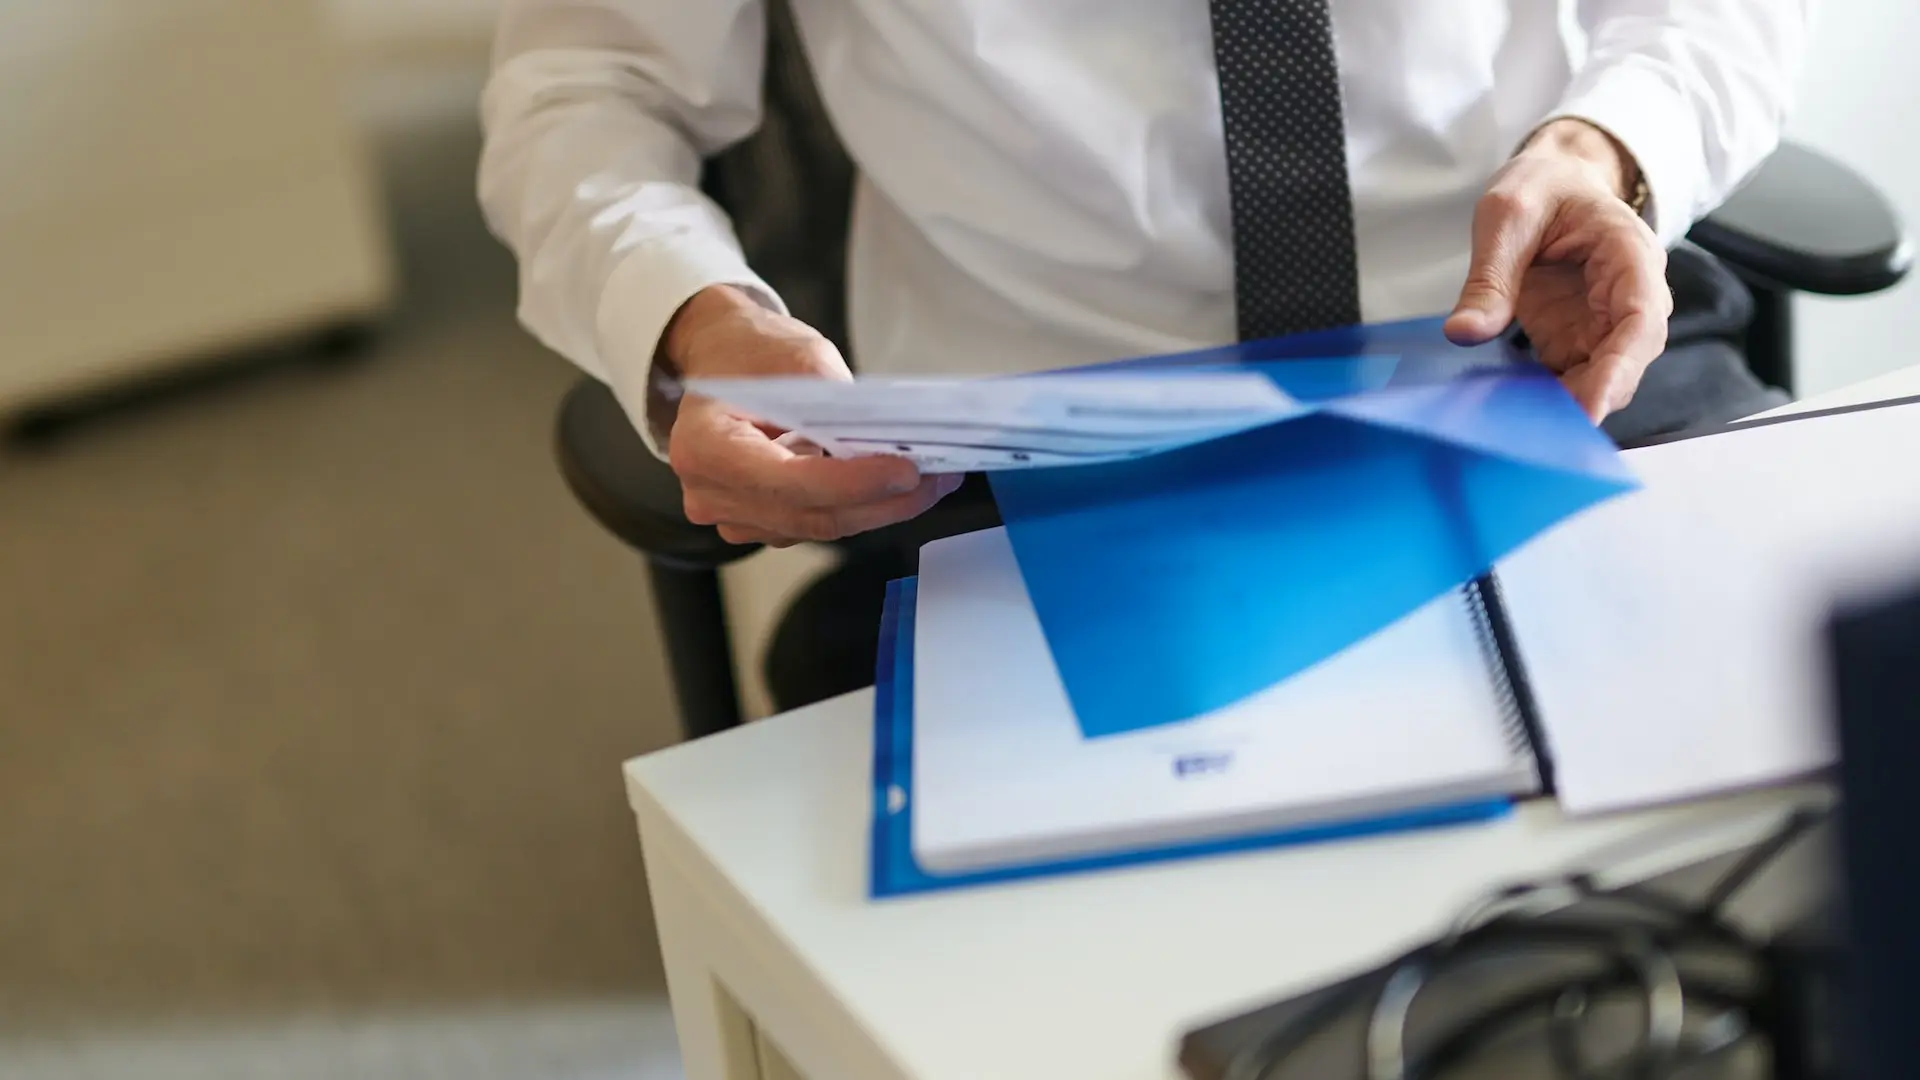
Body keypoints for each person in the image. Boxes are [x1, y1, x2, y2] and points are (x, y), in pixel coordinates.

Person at [479, 0, 1808, 711]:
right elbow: (586, 93)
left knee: (1802, 784)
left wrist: (1611, 146)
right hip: (1025, 452)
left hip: (1539, 348)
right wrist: (690, 321)